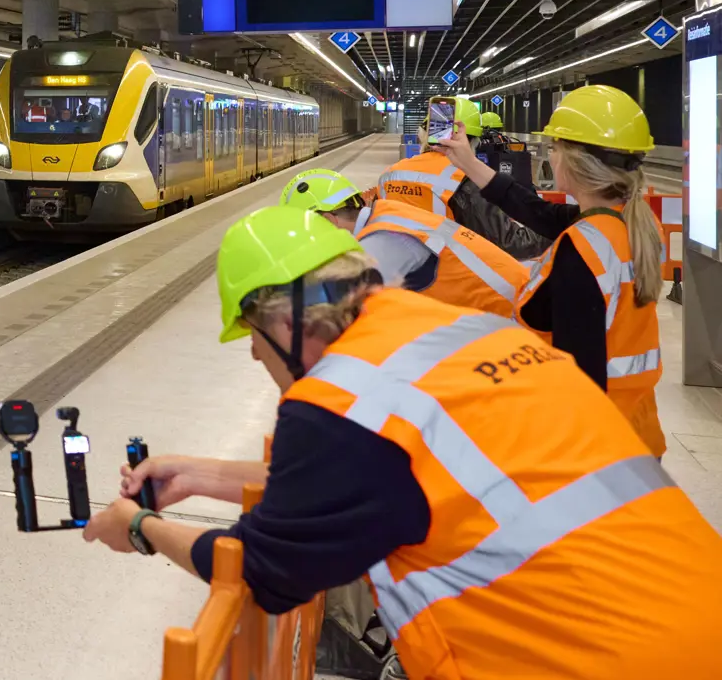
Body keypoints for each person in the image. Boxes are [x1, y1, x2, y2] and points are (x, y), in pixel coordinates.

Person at [81, 205, 722, 680]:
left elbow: (268, 572)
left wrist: (137, 526)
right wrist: (194, 474)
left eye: (249, 331)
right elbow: (391, 481)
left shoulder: (336, 395)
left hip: (593, 658)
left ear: (282, 318)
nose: (252, 352)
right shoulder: (464, 335)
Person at [436, 84, 667, 455]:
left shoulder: (583, 249)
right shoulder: (632, 224)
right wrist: (466, 161)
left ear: (574, 161)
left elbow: (578, 376)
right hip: (635, 426)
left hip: (599, 445)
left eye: (555, 147)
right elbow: (537, 212)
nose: (550, 155)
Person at [282, 168, 528, 318]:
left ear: (327, 220)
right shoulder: (386, 213)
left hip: (517, 323)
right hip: (511, 308)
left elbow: (337, 311)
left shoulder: (381, 244)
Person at [376, 96, 547, 259]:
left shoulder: (390, 174)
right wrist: (557, 228)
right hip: (446, 278)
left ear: (424, 135)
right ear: (471, 142)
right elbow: (511, 243)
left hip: (395, 274)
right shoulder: (462, 179)